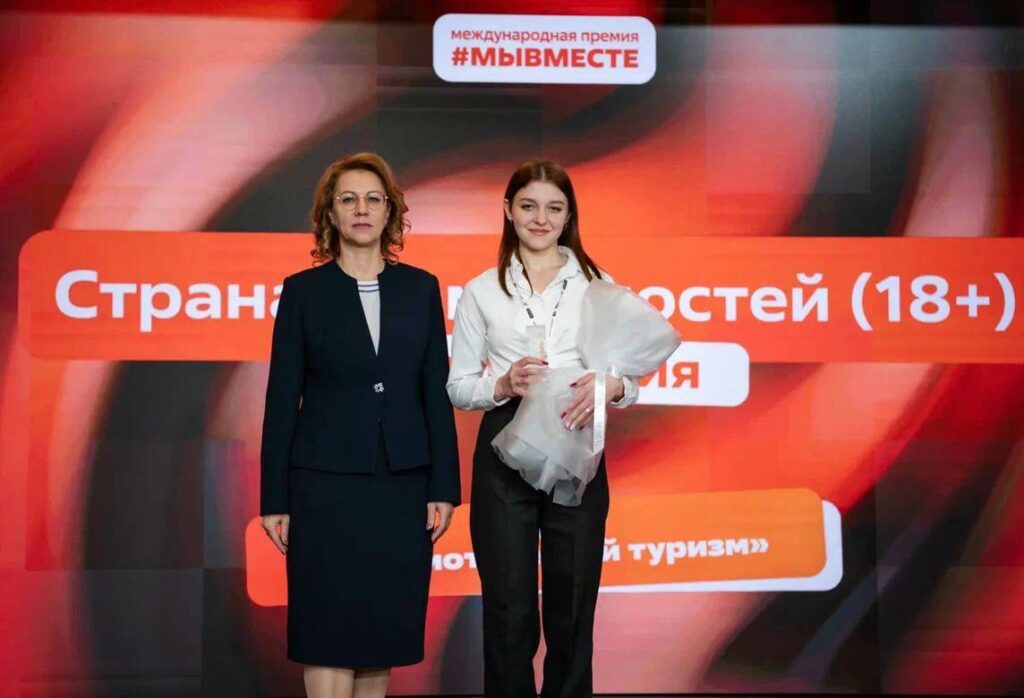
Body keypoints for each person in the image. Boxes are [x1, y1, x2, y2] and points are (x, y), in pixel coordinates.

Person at [260, 152, 460, 698]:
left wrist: (444, 487)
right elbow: (281, 400)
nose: (362, 209)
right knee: (327, 631)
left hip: (401, 486)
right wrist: (274, 498)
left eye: (373, 198)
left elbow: (435, 392)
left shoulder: (420, 288)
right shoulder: (303, 292)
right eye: (348, 199)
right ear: (331, 213)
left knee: (381, 632)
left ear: (390, 211)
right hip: (323, 487)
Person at [447, 159, 639, 697]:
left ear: (568, 216)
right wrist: (503, 384)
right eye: (528, 206)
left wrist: (612, 386)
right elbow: (459, 386)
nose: (541, 218)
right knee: (507, 607)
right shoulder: (481, 290)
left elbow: (628, 380)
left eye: (554, 208)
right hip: (504, 444)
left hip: (577, 439)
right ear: (508, 210)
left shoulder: (600, 285)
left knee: (572, 604)